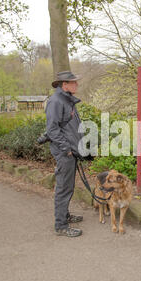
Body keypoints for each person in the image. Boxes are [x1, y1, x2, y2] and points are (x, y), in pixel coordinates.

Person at [46, 71, 84, 237]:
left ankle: (65, 216)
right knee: (63, 188)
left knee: (68, 186)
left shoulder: (66, 100)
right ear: (64, 84)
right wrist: (67, 149)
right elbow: (52, 129)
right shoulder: (56, 101)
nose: (76, 85)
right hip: (65, 153)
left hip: (71, 151)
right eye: (73, 82)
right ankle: (61, 225)